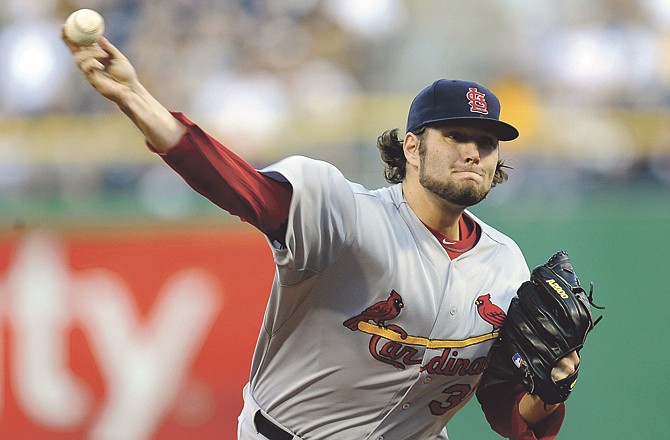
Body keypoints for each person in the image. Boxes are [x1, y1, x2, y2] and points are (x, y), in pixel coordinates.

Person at [63, 33, 580, 440]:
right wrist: (133, 96)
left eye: (486, 142)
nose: (472, 151)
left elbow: (509, 412)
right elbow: (242, 189)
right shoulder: (346, 216)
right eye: (455, 136)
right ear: (413, 149)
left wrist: (551, 388)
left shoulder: (504, 265)